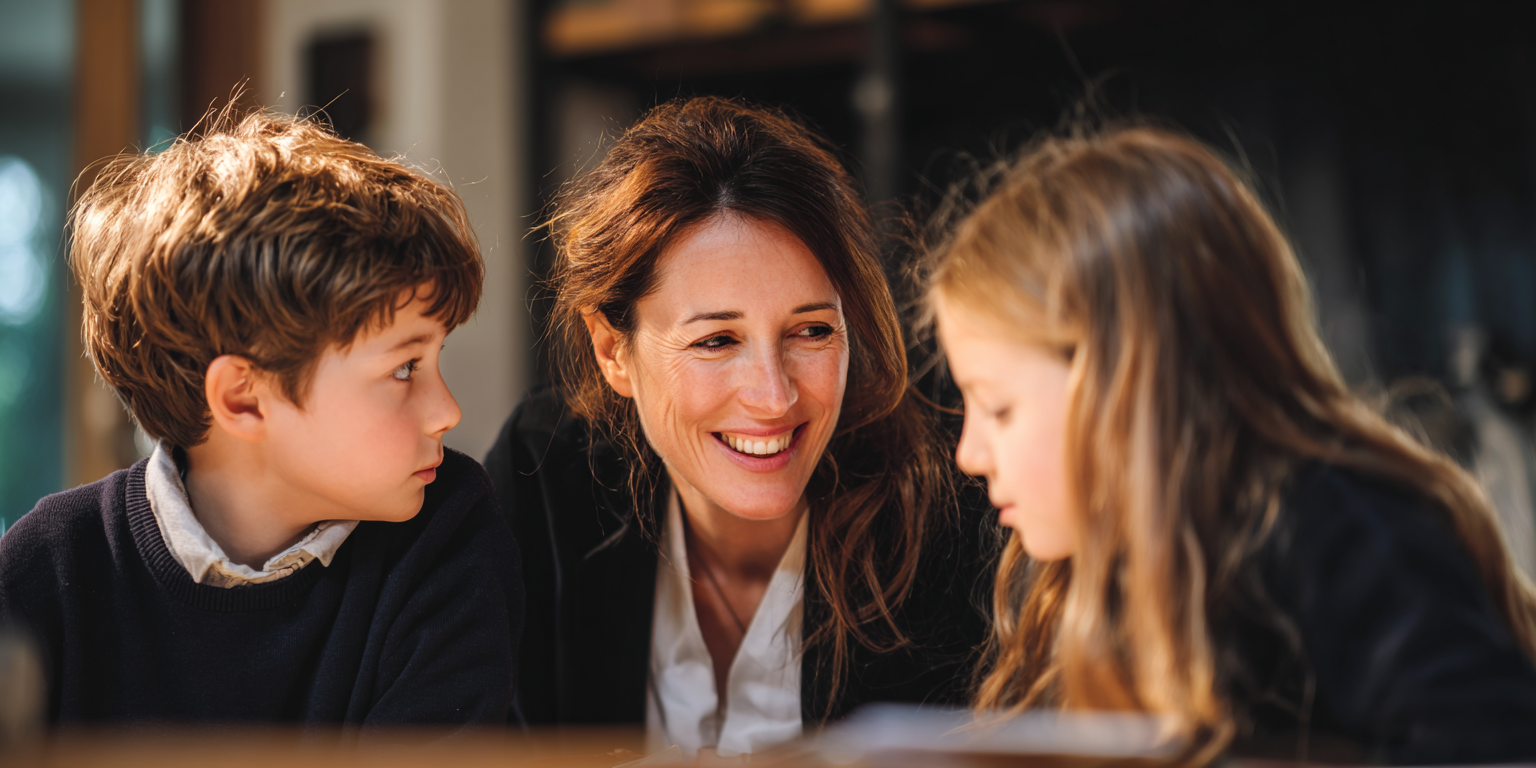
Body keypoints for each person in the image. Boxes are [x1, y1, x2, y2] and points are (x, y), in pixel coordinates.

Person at [925, 126, 1536, 763]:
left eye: (998, 408)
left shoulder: (1340, 528)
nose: (969, 453)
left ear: (1126, 386)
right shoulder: (1072, 583)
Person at [485, 96, 994, 758]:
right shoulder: (546, 476)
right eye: (717, 341)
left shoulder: (947, 512)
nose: (774, 396)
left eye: (811, 331)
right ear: (613, 351)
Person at [0, 111, 523, 726]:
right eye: (405, 368)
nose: (448, 411)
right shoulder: (47, 570)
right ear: (244, 398)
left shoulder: (449, 535)